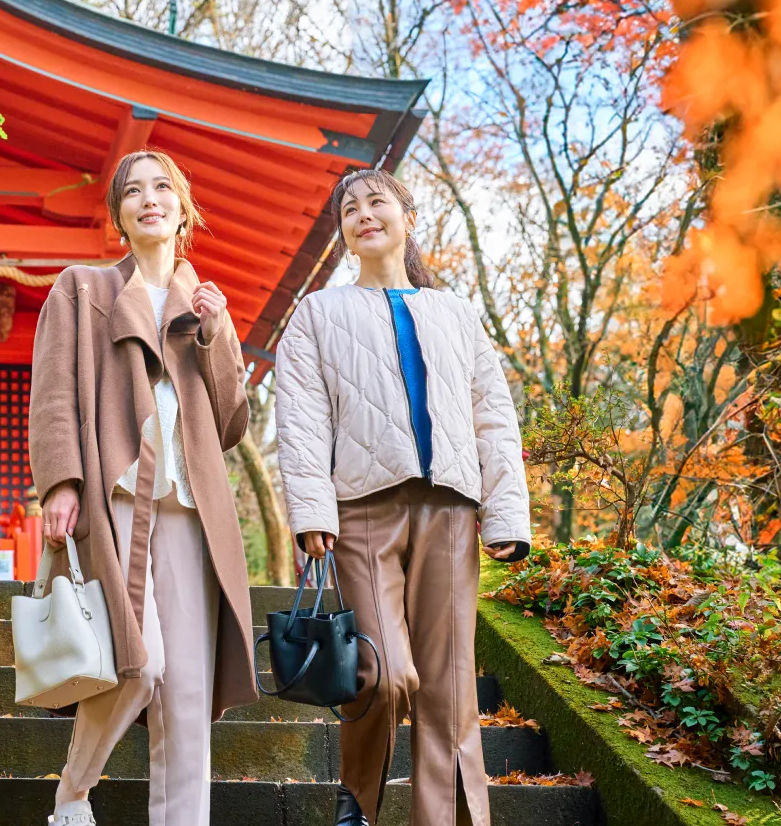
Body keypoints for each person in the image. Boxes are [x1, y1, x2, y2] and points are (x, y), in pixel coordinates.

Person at [274, 168, 532, 826]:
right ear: (343, 232)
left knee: (451, 690)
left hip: (451, 510)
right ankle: (358, 799)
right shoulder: (318, 313)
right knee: (383, 672)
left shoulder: (457, 313)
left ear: (407, 217)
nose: (364, 214)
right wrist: (312, 512)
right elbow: (301, 420)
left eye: (376, 202)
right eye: (350, 209)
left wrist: (505, 514)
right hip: (361, 510)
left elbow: (493, 418)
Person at [29, 149, 257, 826]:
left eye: (163, 188)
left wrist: (216, 336)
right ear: (119, 216)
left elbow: (230, 425)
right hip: (115, 498)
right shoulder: (82, 290)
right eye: (133, 192)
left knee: (187, 691)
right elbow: (53, 393)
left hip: (189, 509)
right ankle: (73, 793)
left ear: (183, 211)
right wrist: (60, 482)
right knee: (139, 663)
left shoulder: (203, 306)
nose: (149, 199)